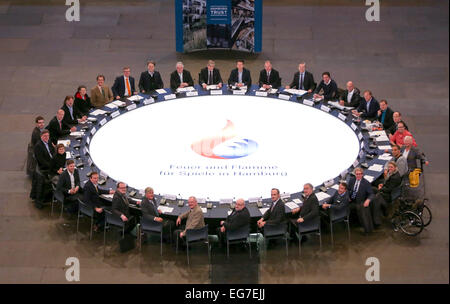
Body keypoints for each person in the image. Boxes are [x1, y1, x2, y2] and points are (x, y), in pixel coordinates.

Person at [348, 167, 377, 233]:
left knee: (362, 210)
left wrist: (368, 200)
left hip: (360, 201)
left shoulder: (366, 183)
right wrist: (347, 197)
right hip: (351, 200)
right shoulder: (352, 180)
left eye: (360, 174)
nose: (358, 175)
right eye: (357, 174)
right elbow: (348, 189)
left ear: (362, 174)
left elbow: (371, 194)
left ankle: (367, 229)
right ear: (355, 174)